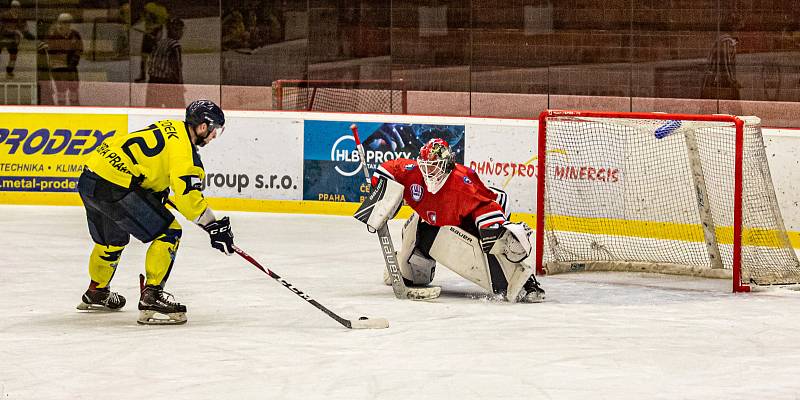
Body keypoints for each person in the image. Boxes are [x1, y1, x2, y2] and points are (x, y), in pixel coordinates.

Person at [76, 99, 236, 325]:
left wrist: (155, 192)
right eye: (214, 131)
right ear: (203, 127)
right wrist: (213, 225)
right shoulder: (186, 156)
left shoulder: (170, 126)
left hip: (90, 176)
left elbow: (150, 164)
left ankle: (97, 291)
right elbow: (189, 200)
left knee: (111, 240)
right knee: (169, 232)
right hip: (115, 185)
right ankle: (152, 295)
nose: (213, 136)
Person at [356, 138, 545, 302]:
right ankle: (408, 267)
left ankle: (523, 281)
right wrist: (377, 192)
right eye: (425, 165)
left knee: (488, 245)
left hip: (468, 220)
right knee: (412, 267)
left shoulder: (462, 183)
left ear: (446, 165)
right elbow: (387, 169)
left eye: (433, 166)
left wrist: (491, 228)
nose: (428, 171)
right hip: (431, 221)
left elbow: (488, 204)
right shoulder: (412, 172)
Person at [40, 13, 82, 105]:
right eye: (61, 23)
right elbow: (46, 48)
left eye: (67, 23)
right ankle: (61, 108)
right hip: (58, 67)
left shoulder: (75, 34)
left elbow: (79, 49)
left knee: (74, 87)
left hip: (71, 67)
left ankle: (75, 107)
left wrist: (74, 60)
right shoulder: (52, 34)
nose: (64, 25)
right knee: (61, 89)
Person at [146, 17, 184, 107]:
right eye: (180, 30)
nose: (182, 33)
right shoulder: (175, 45)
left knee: (153, 112)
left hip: (152, 81)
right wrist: (180, 85)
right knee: (176, 112)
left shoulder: (160, 43)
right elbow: (176, 67)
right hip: (168, 83)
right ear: (175, 31)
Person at [0, 0, 34, 79]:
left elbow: (24, 28)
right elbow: (2, 29)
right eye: (15, 7)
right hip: (2, 38)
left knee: (13, 56)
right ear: (11, 7)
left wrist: (28, 34)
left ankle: (9, 72)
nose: (17, 9)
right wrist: (15, 31)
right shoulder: (4, 15)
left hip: (13, 40)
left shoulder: (21, 17)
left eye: (18, 7)